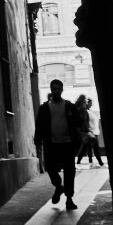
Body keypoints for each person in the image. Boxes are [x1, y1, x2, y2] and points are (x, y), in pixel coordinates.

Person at [34, 79, 87, 209]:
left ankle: (69, 199)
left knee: (69, 171)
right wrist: (37, 140)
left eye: (58, 88)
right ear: (51, 90)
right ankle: (59, 186)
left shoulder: (69, 106)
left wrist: (79, 139)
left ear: (62, 90)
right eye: (54, 89)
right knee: (51, 170)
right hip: (51, 145)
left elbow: (78, 123)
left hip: (67, 144)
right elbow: (39, 125)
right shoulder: (45, 108)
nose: (56, 91)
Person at [77, 95, 103, 166]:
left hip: (93, 132)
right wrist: (88, 131)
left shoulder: (90, 111)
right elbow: (85, 121)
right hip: (91, 132)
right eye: (89, 102)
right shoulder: (85, 111)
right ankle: (100, 162)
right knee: (94, 148)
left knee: (86, 148)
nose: (91, 104)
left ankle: (87, 161)